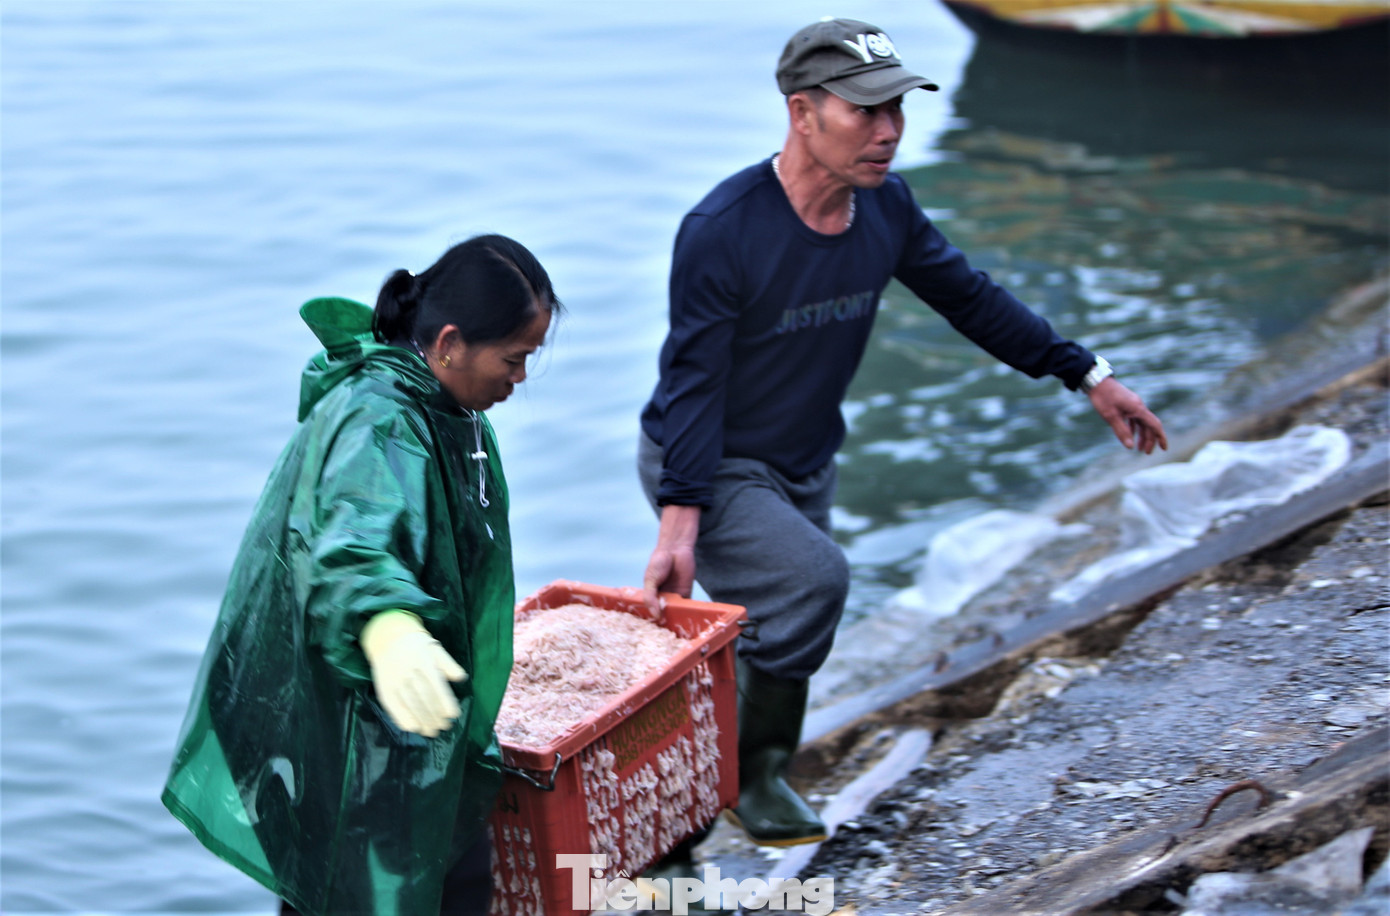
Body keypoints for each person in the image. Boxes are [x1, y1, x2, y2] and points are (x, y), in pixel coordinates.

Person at [638, 17, 1166, 853]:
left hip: (806, 457)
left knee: (777, 627)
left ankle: (693, 818)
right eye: (865, 111)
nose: (888, 132)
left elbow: (971, 297)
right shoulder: (724, 230)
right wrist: (681, 513)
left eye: (899, 111)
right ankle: (743, 779)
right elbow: (692, 381)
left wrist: (1087, 373)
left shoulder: (886, 208)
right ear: (802, 111)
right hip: (708, 457)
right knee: (812, 584)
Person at [162, 235, 562, 916]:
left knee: (425, 882)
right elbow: (351, 541)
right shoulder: (378, 421)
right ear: (449, 343)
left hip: (410, 718)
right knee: (358, 889)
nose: (519, 379)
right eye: (515, 359)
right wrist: (388, 627)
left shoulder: (449, 409)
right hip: (352, 718)